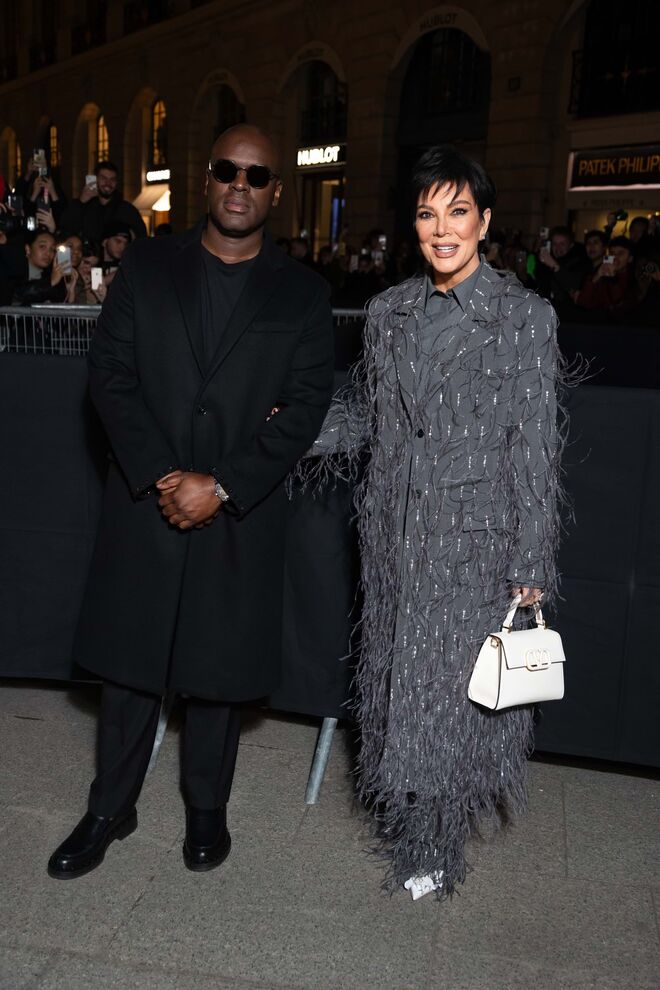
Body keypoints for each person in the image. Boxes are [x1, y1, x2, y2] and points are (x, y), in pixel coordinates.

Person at [47, 124, 334, 880]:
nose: (241, 184)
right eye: (226, 170)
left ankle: (207, 807)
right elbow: (109, 375)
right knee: (130, 664)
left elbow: (306, 407)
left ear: (277, 190)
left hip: (237, 510)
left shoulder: (304, 293)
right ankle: (110, 806)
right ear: (206, 180)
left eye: (257, 175)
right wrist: (164, 474)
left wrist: (225, 483)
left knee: (216, 668)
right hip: (148, 499)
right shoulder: (147, 264)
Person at [303, 145, 562, 900]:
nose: (441, 228)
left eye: (457, 212)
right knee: (394, 690)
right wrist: (282, 429)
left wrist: (532, 561)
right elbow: (368, 419)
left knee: (451, 702)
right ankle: (413, 836)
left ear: (484, 222)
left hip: (474, 544)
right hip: (392, 538)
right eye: (426, 213)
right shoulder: (388, 313)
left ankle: (435, 851)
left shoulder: (524, 318)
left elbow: (537, 448)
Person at [59, 160, 147, 244]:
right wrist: (81, 202)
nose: (108, 183)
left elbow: (141, 237)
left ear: (116, 183)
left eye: (112, 179)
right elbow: (65, 229)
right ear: (95, 180)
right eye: (103, 178)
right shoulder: (83, 207)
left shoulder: (127, 210)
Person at [573, 235, 636, 315]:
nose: (615, 258)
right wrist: (596, 278)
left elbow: (621, 307)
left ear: (630, 258)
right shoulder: (598, 274)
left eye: (620, 254)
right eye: (612, 253)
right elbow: (582, 303)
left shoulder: (634, 278)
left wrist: (612, 279)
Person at [11, 229, 73, 305]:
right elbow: (16, 295)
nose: (48, 253)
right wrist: (51, 281)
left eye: (52, 249)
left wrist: (70, 291)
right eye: (42, 247)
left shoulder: (50, 275)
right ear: (28, 249)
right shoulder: (13, 269)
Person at [536, 225, 589, 311]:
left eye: (562, 244)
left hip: (568, 315)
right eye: (554, 244)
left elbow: (574, 285)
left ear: (571, 245)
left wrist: (554, 266)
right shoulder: (545, 262)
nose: (558, 248)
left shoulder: (580, 262)